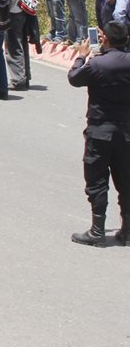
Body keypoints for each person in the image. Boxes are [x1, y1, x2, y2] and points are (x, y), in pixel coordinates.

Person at [68, 22, 130, 247]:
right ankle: (127, 231)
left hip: (100, 131)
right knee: (126, 181)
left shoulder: (97, 64)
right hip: (126, 131)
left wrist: (81, 56)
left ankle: (97, 231)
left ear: (105, 40)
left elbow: (74, 78)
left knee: (97, 182)